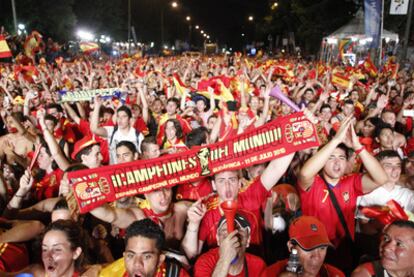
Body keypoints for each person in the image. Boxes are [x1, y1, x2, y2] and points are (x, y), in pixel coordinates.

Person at [298, 116, 388, 271]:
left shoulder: (351, 182)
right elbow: (305, 174)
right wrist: (335, 140)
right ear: (322, 161)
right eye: (331, 157)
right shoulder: (313, 183)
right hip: (313, 251)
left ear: (347, 163)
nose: (336, 162)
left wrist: (358, 147)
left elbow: (381, 178)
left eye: (341, 158)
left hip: (343, 251)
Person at [99, 218, 190, 277]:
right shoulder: (110, 274)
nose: (137, 264)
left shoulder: (176, 275)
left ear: (160, 260)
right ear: (125, 256)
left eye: (147, 256)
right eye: (131, 255)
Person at [2, 220, 88, 277]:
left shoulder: (93, 273)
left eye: (57, 249)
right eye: (45, 249)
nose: (47, 256)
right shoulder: (35, 272)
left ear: (76, 253)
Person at [266, 216, 344, 277]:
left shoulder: (334, 274)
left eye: (322, 248)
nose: (317, 257)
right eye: (309, 247)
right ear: (291, 247)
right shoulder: (271, 274)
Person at [193, 214, 266, 277]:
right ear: (218, 239)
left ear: (248, 240)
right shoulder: (204, 262)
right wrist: (225, 260)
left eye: (238, 233)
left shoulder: (258, 265)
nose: (232, 240)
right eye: (225, 234)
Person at [91, 98, 144, 164]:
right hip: (115, 171)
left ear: (130, 119)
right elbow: (94, 129)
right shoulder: (111, 131)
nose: (120, 119)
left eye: (124, 116)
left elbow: (142, 157)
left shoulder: (138, 135)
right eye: (118, 116)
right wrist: (97, 106)